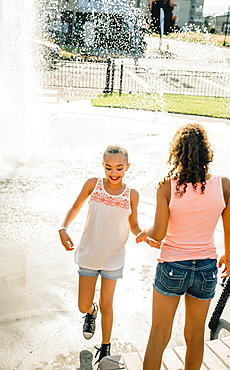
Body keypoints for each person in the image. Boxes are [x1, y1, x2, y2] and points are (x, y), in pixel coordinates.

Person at [136, 123, 230, 370]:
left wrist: (143, 234)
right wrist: (229, 257)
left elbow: (158, 233)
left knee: (159, 336)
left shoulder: (167, 186)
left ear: (177, 152)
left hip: (172, 266)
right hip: (206, 269)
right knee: (194, 336)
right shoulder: (223, 185)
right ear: (206, 152)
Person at [59, 144, 158, 364]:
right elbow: (75, 207)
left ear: (127, 167)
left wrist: (147, 237)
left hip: (114, 257)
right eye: (109, 167)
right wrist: (63, 228)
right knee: (83, 306)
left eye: (119, 168)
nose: (114, 173)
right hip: (89, 254)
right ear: (103, 165)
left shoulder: (132, 194)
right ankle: (90, 313)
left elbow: (134, 225)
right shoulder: (92, 185)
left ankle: (105, 347)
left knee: (108, 304)